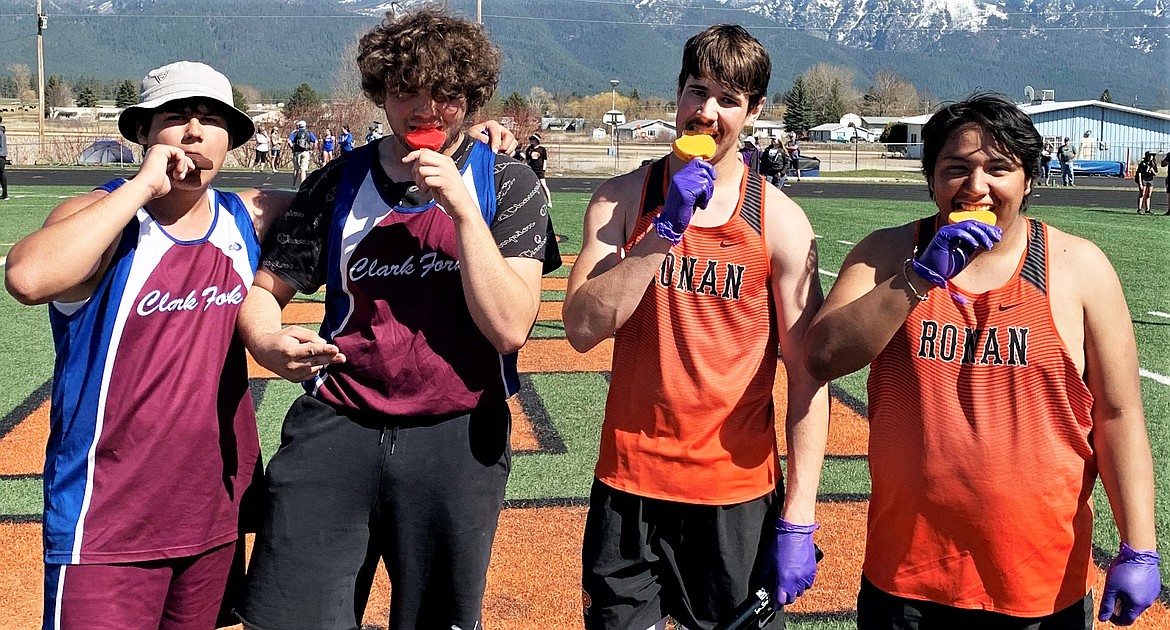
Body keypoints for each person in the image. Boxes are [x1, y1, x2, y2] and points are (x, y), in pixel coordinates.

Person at [235, 8, 553, 630]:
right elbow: (264, 290)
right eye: (406, 89)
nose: (426, 108)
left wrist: (463, 210)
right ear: (381, 91)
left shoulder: (508, 183)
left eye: (446, 92)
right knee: (290, 616)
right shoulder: (340, 181)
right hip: (338, 424)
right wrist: (266, 340)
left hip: (458, 435)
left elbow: (512, 327)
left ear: (473, 96)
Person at [804, 92, 1161, 629]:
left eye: (998, 168)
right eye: (956, 169)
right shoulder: (885, 255)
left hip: (1039, 585)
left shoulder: (1079, 268)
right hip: (906, 581)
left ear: (1029, 181)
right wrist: (917, 279)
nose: (976, 188)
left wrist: (1140, 546)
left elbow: (1118, 416)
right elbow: (822, 355)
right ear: (930, 180)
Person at [4, 60, 293, 630]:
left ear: (229, 141)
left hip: (212, 517)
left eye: (212, 121)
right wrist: (141, 186)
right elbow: (27, 277)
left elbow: (350, 195)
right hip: (104, 521)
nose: (194, 132)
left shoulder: (245, 218)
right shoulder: (102, 217)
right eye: (176, 117)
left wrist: (477, 144)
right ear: (141, 132)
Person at [564, 23, 829, 630]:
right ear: (677, 93)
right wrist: (663, 230)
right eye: (696, 91)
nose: (706, 113)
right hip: (630, 484)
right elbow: (580, 327)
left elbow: (809, 378)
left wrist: (799, 517)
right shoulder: (622, 200)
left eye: (728, 100)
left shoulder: (781, 222)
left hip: (734, 494)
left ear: (755, 112)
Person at [523, 133, 552, 206]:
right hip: (531, 169)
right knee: (530, 185)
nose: (532, 141)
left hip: (539, 170)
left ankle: (549, 201)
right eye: (531, 139)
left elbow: (545, 160)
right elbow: (527, 160)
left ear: (537, 140)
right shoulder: (529, 149)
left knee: (543, 185)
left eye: (533, 139)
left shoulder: (542, 149)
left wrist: (543, 169)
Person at [288, 120, 318, 188]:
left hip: (297, 152)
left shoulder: (295, 132)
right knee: (303, 170)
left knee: (296, 169)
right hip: (306, 152)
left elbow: (289, 141)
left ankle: (294, 184)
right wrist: (312, 150)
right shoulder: (309, 132)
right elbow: (316, 141)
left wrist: (293, 148)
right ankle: (302, 185)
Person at [0, 115, 8, 200]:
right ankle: (4, 193)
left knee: (1, 174)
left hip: (0, 156)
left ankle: (5, 193)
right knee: (1, 174)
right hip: (2, 155)